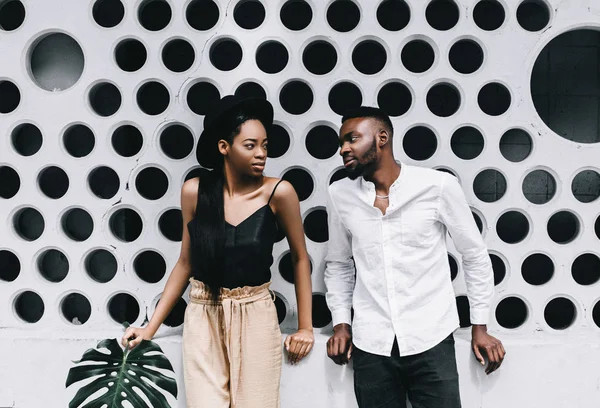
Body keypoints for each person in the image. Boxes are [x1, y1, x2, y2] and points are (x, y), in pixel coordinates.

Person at [122, 95, 314, 408]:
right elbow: (185, 263)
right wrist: (150, 327)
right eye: (250, 145)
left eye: (265, 145)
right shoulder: (194, 191)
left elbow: (300, 258)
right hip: (202, 314)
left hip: (256, 313)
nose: (261, 154)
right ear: (224, 147)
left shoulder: (279, 192)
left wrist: (305, 327)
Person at [324, 106, 505, 408]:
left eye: (352, 139)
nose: (344, 149)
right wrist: (341, 324)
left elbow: (474, 254)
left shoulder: (437, 187)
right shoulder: (339, 194)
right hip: (371, 343)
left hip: (431, 338)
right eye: (342, 142)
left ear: (382, 137)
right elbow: (339, 264)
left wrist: (480, 326)